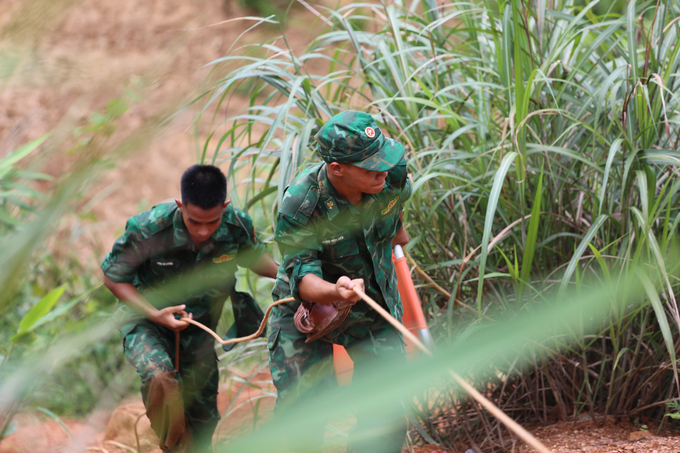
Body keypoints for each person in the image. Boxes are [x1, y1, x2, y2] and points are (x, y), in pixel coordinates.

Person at [102, 164, 278, 453]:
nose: (204, 230)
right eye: (195, 221)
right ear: (180, 205)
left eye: (213, 221)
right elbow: (113, 277)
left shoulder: (236, 225)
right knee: (159, 375)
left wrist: (293, 276)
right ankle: (172, 446)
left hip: (201, 329)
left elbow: (255, 259)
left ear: (226, 206)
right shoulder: (148, 228)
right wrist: (153, 313)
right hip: (147, 322)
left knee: (203, 419)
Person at [268, 110, 412, 453]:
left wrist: (395, 234)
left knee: (387, 414)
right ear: (337, 169)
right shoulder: (301, 203)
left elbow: (397, 209)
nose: (382, 171)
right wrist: (336, 290)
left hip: (372, 306)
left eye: (384, 161)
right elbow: (303, 279)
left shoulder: (391, 176)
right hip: (307, 313)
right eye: (369, 167)